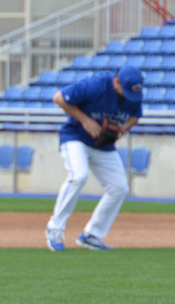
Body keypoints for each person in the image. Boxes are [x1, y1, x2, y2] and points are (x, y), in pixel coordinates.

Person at [45, 65, 144, 251]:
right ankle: (54, 228)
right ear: (116, 81)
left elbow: (136, 116)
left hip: (103, 144)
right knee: (79, 176)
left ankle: (92, 235)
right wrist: (85, 120)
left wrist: (122, 129)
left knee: (119, 188)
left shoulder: (133, 93)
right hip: (76, 138)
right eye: (126, 90)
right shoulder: (95, 86)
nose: (130, 96)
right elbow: (59, 98)